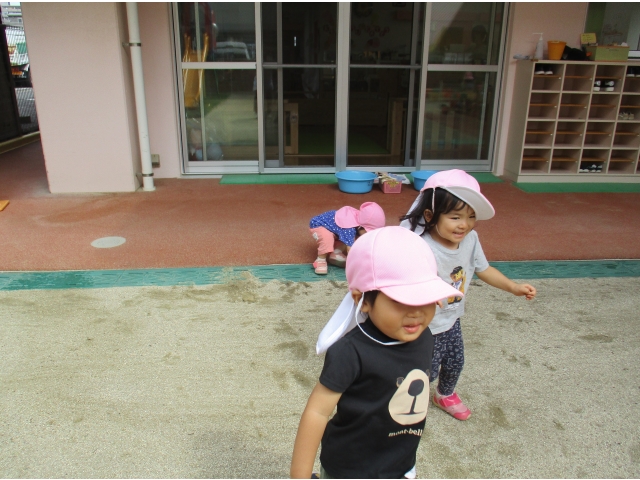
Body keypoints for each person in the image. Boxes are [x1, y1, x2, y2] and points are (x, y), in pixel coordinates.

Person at [291, 227, 463, 479]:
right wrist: (300, 475)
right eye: (400, 300)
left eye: (424, 297)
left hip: (402, 463)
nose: (416, 312)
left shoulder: (425, 336)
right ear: (363, 300)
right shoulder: (351, 351)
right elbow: (317, 412)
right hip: (350, 468)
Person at [400, 169, 537, 421]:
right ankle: (408, 400)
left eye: (471, 216)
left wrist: (513, 287)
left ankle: (445, 394)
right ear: (430, 215)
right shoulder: (420, 245)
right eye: (455, 217)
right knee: (426, 369)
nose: (464, 224)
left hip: (452, 318)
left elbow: (483, 269)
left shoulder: (471, 239)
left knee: (455, 361)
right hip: (425, 324)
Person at [309, 202, 385, 275]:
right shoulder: (349, 227)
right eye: (368, 232)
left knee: (347, 239)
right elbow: (350, 250)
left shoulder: (358, 222)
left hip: (334, 229)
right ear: (361, 227)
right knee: (328, 239)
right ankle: (320, 260)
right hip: (319, 225)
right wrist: (358, 264)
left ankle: (336, 253)